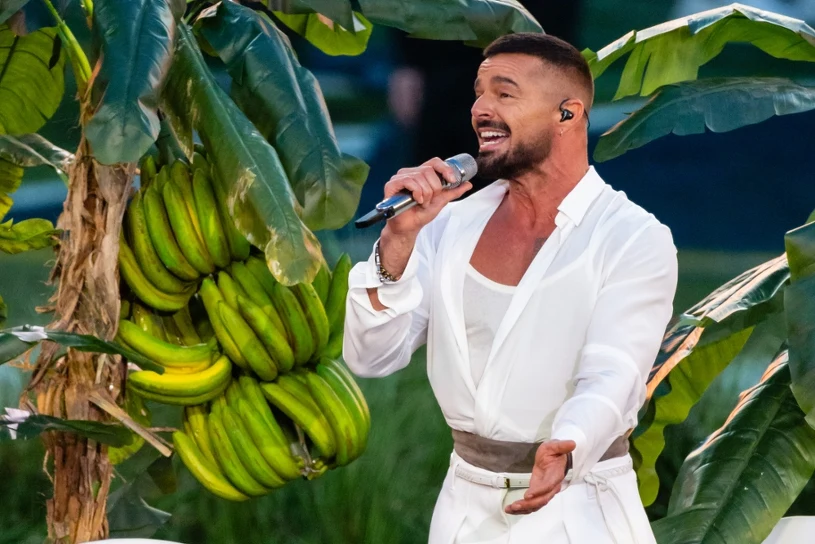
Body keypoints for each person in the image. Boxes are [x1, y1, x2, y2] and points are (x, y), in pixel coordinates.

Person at [343, 33, 678, 544]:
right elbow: (370, 357)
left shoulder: (631, 237)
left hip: (578, 509)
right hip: (462, 512)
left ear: (567, 114)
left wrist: (569, 445)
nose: (480, 108)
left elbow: (614, 372)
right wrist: (397, 242)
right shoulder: (445, 226)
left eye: (504, 92)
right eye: (479, 93)